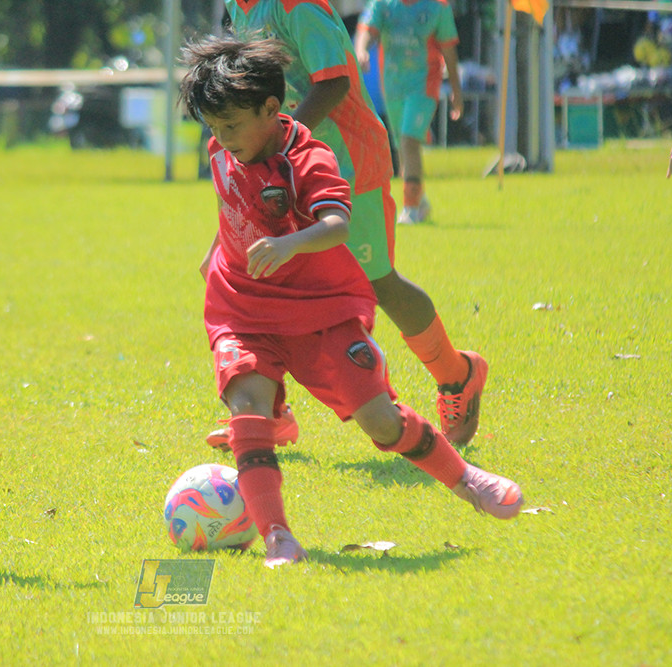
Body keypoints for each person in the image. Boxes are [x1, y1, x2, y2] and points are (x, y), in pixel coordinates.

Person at [179, 35, 523, 568]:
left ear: (273, 109)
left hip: (322, 308)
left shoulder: (309, 156)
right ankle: (277, 537)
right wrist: (215, 251)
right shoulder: (224, 147)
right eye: (213, 128)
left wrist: (291, 243)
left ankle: (465, 479)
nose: (221, 140)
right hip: (242, 304)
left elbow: (336, 224)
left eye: (231, 126)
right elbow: (234, 204)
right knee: (246, 405)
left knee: (380, 421)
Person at [207, 0, 486, 452]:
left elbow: (334, 82)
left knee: (377, 283)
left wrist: (282, 147)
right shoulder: (238, 7)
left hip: (346, 162)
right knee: (263, 281)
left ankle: (458, 374)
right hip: (279, 169)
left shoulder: (295, 6)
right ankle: (271, 414)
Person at [354, 0, 463, 225]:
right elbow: (366, 28)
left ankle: (410, 207)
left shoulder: (437, 7)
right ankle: (420, 200)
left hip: (423, 86)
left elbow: (449, 50)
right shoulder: (383, 4)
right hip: (393, 86)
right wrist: (361, 50)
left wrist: (456, 91)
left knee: (409, 141)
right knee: (401, 146)